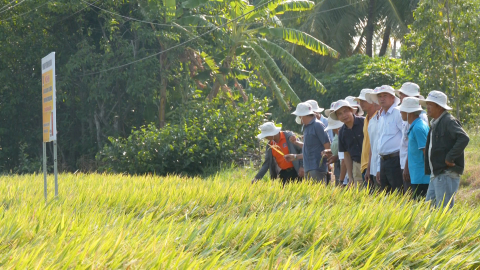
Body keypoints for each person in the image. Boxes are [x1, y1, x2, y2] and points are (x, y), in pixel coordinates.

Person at [421, 91, 470, 208]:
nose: (427, 107)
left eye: (430, 104)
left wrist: (450, 157)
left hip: (445, 173)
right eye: (427, 104)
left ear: (439, 106)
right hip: (437, 174)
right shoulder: (435, 123)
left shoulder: (448, 121)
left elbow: (464, 138)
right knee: (429, 209)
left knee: (444, 211)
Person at [366, 85, 403, 193]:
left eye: (385, 96)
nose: (382, 98)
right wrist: (378, 168)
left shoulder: (398, 113)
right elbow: (379, 144)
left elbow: (406, 138)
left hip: (396, 160)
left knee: (398, 194)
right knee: (386, 196)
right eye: (380, 96)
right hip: (383, 161)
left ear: (392, 97)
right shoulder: (381, 116)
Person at [395, 82, 428, 193]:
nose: (400, 112)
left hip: (419, 173)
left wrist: (407, 167)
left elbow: (425, 151)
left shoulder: (419, 123)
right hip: (411, 167)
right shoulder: (412, 122)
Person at [286, 102, 331, 183]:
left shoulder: (317, 125)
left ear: (302, 115)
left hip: (317, 167)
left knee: (319, 194)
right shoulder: (306, 127)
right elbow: (309, 148)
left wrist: (329, 163)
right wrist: (296, 143)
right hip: (308, 167)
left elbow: (327, 145)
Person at [330, 100, 365, 187]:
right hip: (357, 166)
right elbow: (346, 155)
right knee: (361, 195)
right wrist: (350, 177)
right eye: (340, 114)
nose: (344, 115)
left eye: (345, 111)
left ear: (351, 110)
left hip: (370, 162)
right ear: (338, 117)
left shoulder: (364, 122)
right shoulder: (341, 132)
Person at [354, 89, 378, 190]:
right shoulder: (366, 119)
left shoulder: (378, 117)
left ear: (372, 101)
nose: (361, 103)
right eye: (360, 101)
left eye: (364, 101)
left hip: (374, 165)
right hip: (365, 165)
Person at [365, 87, 383, 190]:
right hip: (373, 168)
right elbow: (372, 146)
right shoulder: (372, 121)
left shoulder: (388, 118)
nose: (375, 102)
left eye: (377, 98)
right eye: (373, 99)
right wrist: (368, 168)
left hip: (384, 167)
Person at [324, 114, 344, 186]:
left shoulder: (344, 133)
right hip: (340, 165)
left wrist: (336, 156)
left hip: (345, 167)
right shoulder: (337, 134)